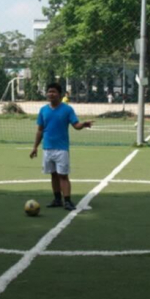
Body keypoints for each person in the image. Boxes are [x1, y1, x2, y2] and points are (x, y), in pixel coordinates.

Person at [30, 83, 92, 211]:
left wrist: (83, 125)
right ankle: (57, 199)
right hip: (47, 148)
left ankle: (67, 201)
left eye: (53, 92)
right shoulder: (43, 110)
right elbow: (40, 130)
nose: (51, 94)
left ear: (60, 94)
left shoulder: (67, 110)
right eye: (49, 92)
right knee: (53, 175)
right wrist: (35, 147)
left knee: (63, 176)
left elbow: (76, 125)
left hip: (61, 149)